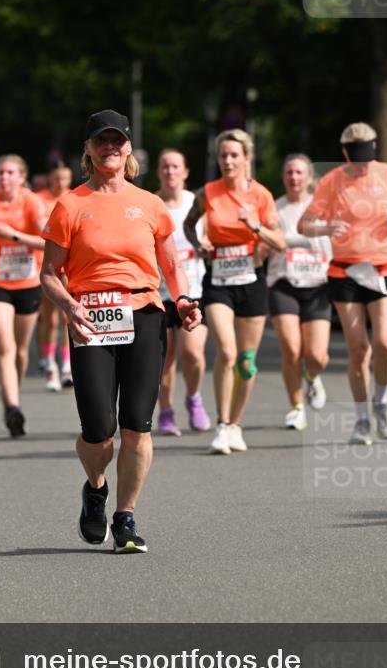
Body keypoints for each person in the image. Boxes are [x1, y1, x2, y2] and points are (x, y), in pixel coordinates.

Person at [40, 110, 201, 554]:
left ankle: (125, 517)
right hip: (89, 317)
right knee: (98, 431)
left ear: (128, 149)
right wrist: (70, 306)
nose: (110, 147)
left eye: (118, 141)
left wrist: (184, 299)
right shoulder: (70, 204)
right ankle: (95, 488)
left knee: (137, 426)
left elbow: (171, 263)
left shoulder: (150, 204)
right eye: (101, 141)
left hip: (145, 313)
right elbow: (49, 274)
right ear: (88, 150)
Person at [298, 123, 387, 444]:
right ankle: (362, 418)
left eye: (367, 155)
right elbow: (304, 223)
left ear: (375, 148)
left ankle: (382, 402)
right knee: (358, 349)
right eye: (355, 156)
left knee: (386, 345)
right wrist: (325, 227)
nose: (361, 163)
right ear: (344, 152)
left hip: (384, 268)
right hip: (346, 272)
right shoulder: (332, 180)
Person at [183, 129, 285, 454]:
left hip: (251, 280)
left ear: (246, 159)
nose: (228, 161)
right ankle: (222, 425)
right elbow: (188, 224)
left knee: (246, 360)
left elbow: (280, 242)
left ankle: (237, 425)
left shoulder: (262, 196)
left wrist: (256, 227)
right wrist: (199, 243)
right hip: (219, 282)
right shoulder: (208, 193)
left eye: (234, 155)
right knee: (226, 352)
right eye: (223, 155)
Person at [0, 155, 47, 437]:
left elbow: (45, 242)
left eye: (10, 173)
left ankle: (13, 391)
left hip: (27, 281)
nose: (4, 178)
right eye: (0, 172)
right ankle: (12, 407)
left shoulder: (31, 202)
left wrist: (14, 235)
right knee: (5, 345)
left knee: (20, 349)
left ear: (21, 177)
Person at [266, 154, 332, 430]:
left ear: (310, 178)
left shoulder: (324, 208)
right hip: (284, 283)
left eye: (299, 173)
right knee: (291, 348)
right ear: (284, 177)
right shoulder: (274, 210)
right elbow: (267, 243)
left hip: (318, 284)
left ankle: (312, 374)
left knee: (317, 355)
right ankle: (296, 406)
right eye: (289, 172)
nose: (294, 178)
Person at [155, 148, 210, 435]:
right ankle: (165, 412)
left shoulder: (197, 203)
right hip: (160, 293)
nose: (170, 171)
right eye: (165, 167)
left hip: (195, 291)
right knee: (165, 357)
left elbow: (212, 238)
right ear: (158, 172)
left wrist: (210, 247)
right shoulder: (151, 204)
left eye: (176, 166)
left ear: (186, 171)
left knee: (193, 353)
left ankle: (194, 398)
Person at [36, 164, 73, 390]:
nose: (60, 182)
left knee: (67, 316)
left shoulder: (73, 198)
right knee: (49, 318)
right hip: (46, 263)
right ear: (50, 179)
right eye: (56, 178)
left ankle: (67, 365)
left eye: (64, 178)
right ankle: (50, 364)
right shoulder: (39, 199)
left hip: (68, 264)